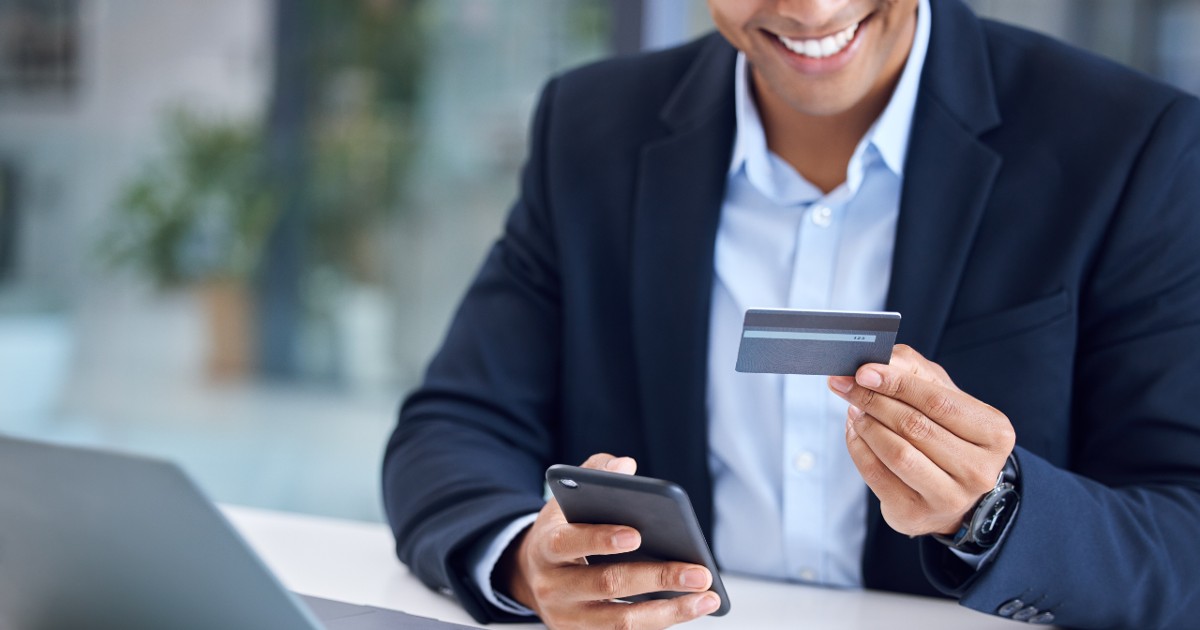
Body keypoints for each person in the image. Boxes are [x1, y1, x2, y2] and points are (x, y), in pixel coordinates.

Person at [383, 0, 1200, 627]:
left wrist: (999, 508)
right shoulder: (590, 130)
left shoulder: (1129, 146)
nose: (810, 10)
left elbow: (1184, 533)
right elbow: (452, 427)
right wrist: (528, 560)